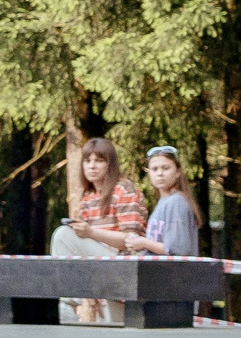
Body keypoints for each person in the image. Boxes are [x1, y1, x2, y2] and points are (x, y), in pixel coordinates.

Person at [51, 138, 148, 322]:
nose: (92, 166)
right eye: (87, 161)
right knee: (113, 329)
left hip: (125, 264)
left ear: (110, 164)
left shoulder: (123, 189)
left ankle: (67, 303)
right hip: (102, 266)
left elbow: (132, 242)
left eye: (99, 160)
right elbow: (82, 248)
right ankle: (69, 303)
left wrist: (91, 232)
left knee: (63, 236)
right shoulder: (88, 197)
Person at [131, 145, 200, 256]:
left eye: (165, 168)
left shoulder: (176, 202)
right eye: (154, 169)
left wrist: (144, 243)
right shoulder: (163, 201)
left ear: (178, 172)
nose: (160, 173)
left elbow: (177, 249)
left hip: (175, 272)